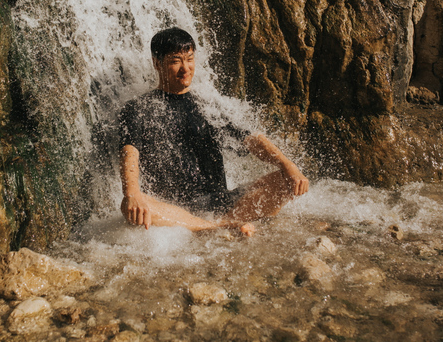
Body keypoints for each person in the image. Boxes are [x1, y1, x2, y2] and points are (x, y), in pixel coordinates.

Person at [118, 27, 309, 236]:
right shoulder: (140, 108)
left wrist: (287, 164)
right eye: (175, 61)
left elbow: (251, 139)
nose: (185, 68)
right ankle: (219, 227)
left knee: (287, 180)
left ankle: (217, 225)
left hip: (224, 203)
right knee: (133, 206)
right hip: (176, 210)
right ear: (157, 63)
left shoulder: (208, 106)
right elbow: (130, 151)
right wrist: (132, 193)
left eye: (189, 59)